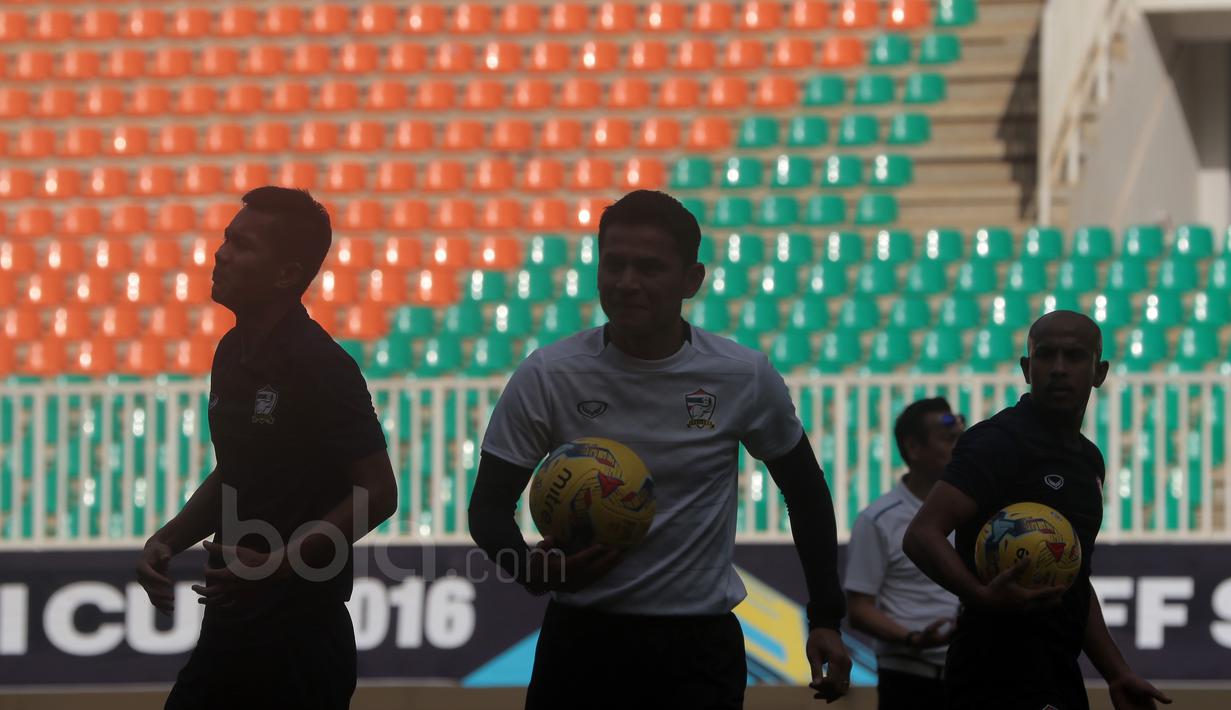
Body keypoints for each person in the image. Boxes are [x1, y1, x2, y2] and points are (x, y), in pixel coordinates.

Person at [467, 190, 851, 709]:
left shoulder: (742, 375)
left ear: (692, 280)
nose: (628, 283)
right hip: (583, 643)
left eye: (649, 267)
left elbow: (805, 491)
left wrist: (825, 616)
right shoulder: (549, 374)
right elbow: (488, 507)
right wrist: (529, 570)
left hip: (696, 648)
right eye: (615, 265)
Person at [135, 187, 397, 710]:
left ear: (285, 274)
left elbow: (379, 492)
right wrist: (167, 540)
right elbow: (237, 470)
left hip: (297, 635)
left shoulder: (321, 365)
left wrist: (280, 561)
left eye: (242, 244)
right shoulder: (232, 350)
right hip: (232, 625)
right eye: (227, 238)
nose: (221, 252)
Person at [903, 311, 1172, 710]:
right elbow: (922, 534)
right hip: (993, 673)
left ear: (1099, 372)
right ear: (1028, 369)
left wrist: (1117, 672)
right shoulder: (998, 442)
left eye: (1074, 356)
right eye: (1046, 355)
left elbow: (1075, 582)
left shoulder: (1088, 462)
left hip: (1059, 672)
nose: (1059, 369)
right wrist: (980, 595)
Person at [845, 398, 964, 709]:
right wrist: (913, 640)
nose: (961, 446)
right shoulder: (877, 520)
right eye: (949, 438)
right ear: (913, 448)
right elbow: (858, 609)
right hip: (908, 682)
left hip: (969, 677)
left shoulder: (973, 512)